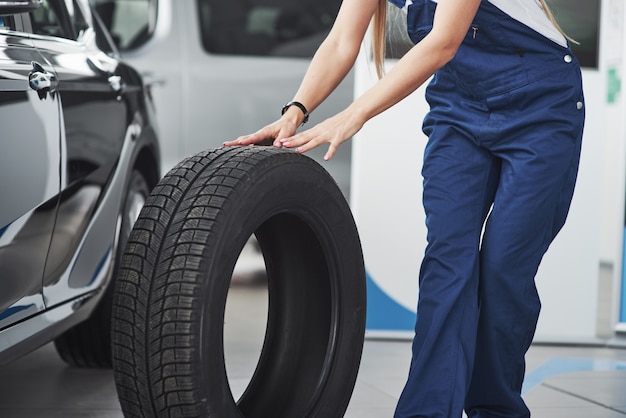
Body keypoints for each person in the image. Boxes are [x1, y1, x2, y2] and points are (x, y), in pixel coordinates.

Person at [225, 0, 585, 416]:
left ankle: (496, 409)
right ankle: (426, 411)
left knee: (503, 271)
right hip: (460, 112)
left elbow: (443, 43)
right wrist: (296, 111)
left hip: (542, 108)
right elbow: (342, 41)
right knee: (447, 261)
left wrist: (354, 115)